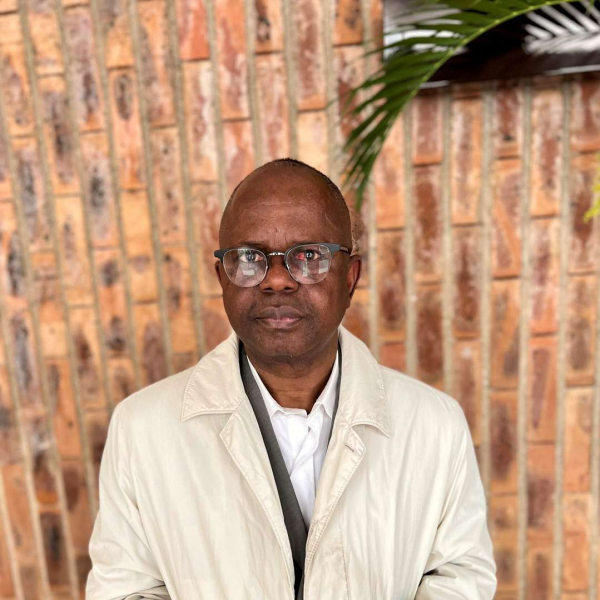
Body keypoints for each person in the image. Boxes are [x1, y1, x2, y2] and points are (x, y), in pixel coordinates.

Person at [86, 158, 497, 599]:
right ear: (223, 278)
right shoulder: (142, 429)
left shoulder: (435, 425)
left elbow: (460, 578)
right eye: (250, 258)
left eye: (309, 256)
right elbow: (126, 589)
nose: (278, 280)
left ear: (350, 277)